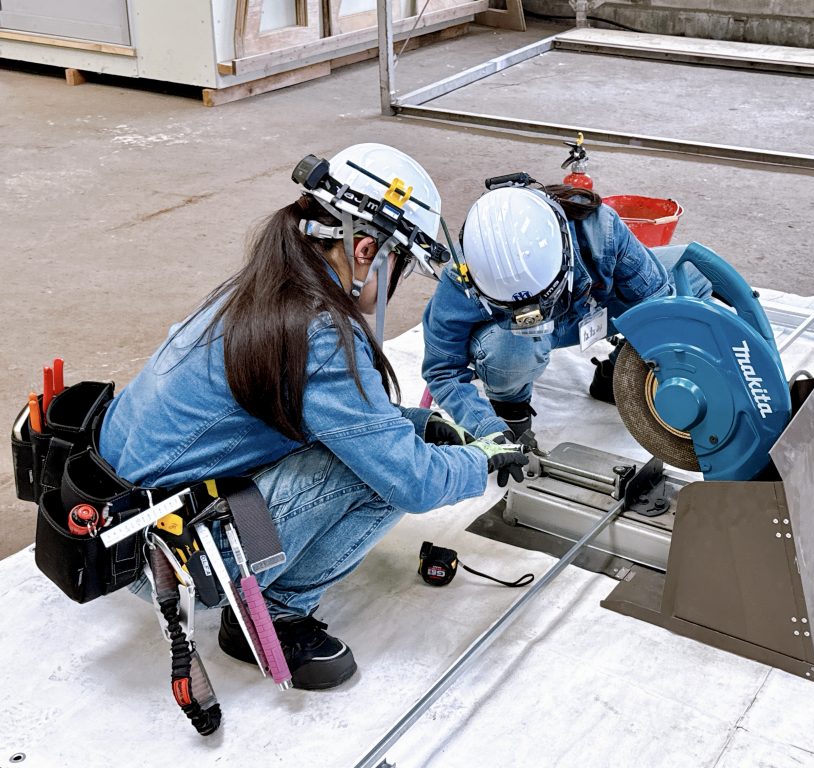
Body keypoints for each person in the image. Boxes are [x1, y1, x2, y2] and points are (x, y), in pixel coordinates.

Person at [98, 143, 528, 691]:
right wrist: (478, 460)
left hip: (127, 529)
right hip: (172, 562)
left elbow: (314, 409)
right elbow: (412, 480)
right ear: (367, 249)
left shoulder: (265, 290)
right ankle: (272, 613)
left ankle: (263, 590)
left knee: (385, 447)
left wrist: (419, 425)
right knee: (379, 473)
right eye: (399, 265)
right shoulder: (319, 331)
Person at [421, 181, 712, 447]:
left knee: (694, 271)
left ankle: (618, 372)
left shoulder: (600, 231)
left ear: (563, 252)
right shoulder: (461, 276)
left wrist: (674, 379)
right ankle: (510, 406)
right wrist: (487, 427)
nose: (535, 311)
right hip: (517, 341)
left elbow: (658, 304)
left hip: (592, 307)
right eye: (521, 308)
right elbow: (443, 369)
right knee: (513, 348)